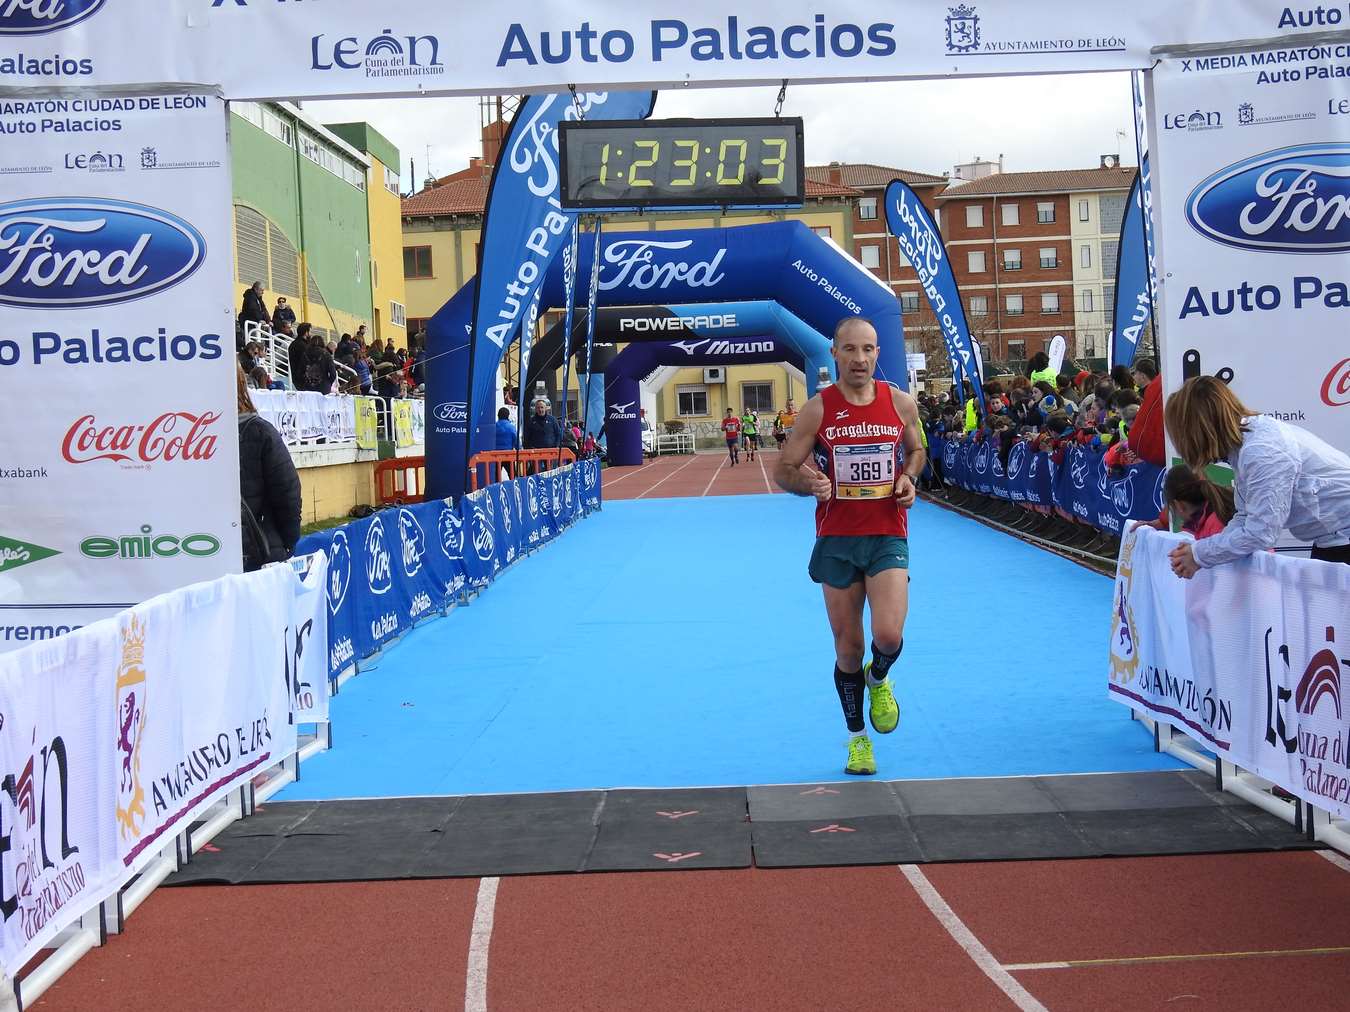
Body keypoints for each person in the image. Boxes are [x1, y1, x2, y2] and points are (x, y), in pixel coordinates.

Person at [773, 317, 925, 777]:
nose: (860, 359)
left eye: (869, 350)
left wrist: (909, 477)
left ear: (878, 354)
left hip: (886, 535)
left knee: (888, 636)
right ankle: (859, 742)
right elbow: (784, 469)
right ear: (835, 354)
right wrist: (807, 482)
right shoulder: (819, 410)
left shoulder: (900, 403)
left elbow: (917, 451)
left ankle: (879, 678)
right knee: (847, 648)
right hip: (837, 539)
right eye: (851, 350)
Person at [1165, 376, 1350, 576]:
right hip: (1335, 536)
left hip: (1342, 536)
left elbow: (1260, 532)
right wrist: (1202, 552)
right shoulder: (1247, 444)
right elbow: (1245, 516)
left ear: (1194, 431)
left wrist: (1200, 554)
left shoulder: (1262, 451)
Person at [237, 365, 301, 572]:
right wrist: (287, 542)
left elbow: (287, 492)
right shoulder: (260, 430)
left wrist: (286, 542)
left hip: (256, 552)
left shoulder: (259, 431)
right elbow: (288, 494)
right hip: (256, 557)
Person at [1141, 464, 1233, 540]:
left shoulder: (1216, 526)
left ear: (1179, 506)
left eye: (1172, 508)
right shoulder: (1205, 512)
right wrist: (1158, 524)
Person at [286, 322, 311, 391]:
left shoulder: (293, 344)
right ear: (306, 332)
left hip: (295, 375)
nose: (311, 334)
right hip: (303, 377)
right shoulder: (304, 346)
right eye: (310, 331)